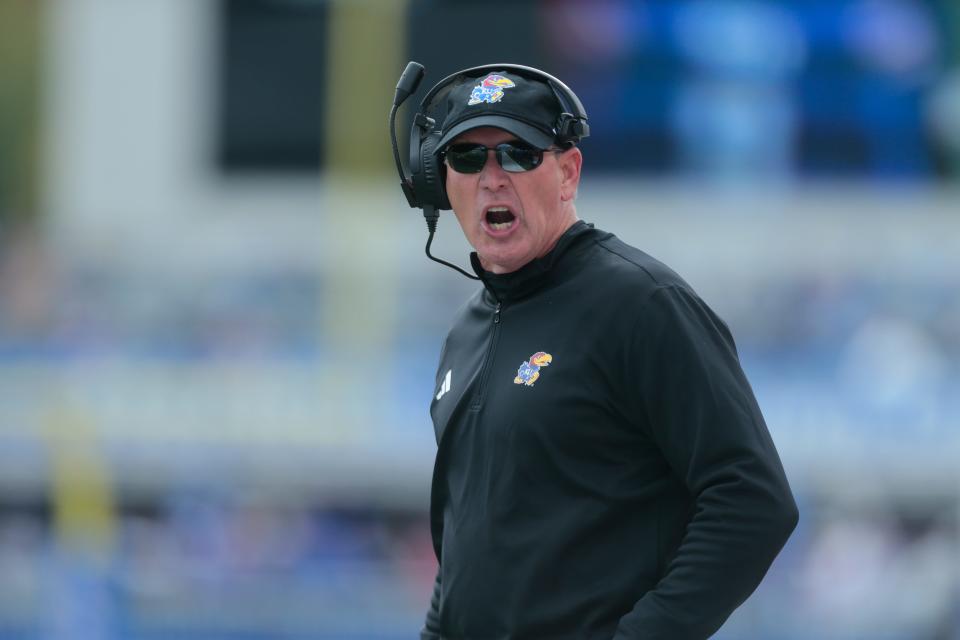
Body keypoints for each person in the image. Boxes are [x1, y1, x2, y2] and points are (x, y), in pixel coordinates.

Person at [415, 64, 798, 640]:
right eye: (468, 159)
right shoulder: (467, 329)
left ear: (568, 172)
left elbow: (753, 499)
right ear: (441, 182)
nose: (491, 178)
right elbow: (468, 540)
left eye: (518, 154)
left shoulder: (642, 304)